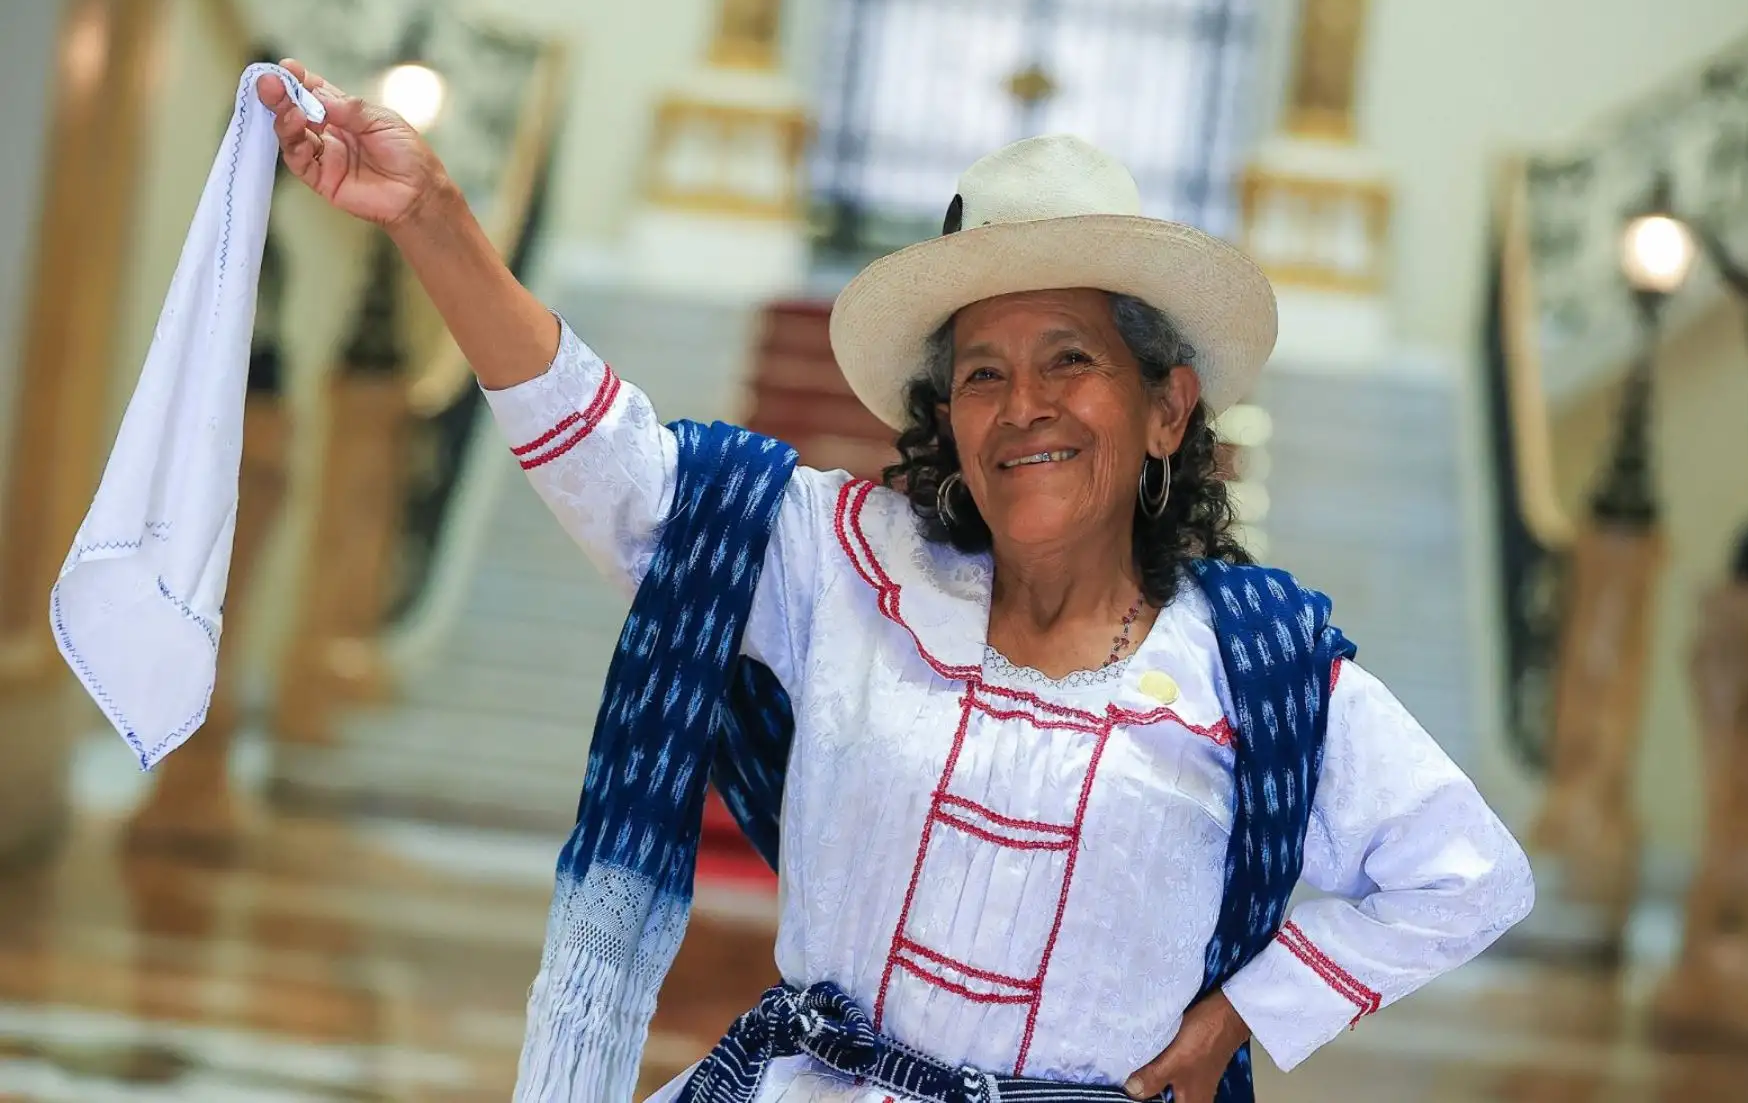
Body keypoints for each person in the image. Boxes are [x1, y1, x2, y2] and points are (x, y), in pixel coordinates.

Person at [257, 61, 1533, 1103]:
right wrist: (434, 219)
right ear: (945, 414)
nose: (1022, 406)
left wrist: (1243, 1016)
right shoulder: (849, 562)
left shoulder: (1252, 666)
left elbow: (1468, 871)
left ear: (1167, 408)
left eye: (1070, 358)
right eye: (982, 371)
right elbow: (621, 471)